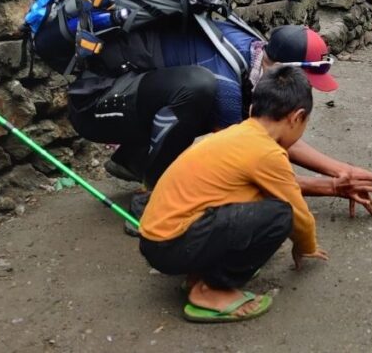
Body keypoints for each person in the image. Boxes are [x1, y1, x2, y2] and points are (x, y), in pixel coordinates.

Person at [67, 20, 372, 230]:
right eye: (308, 83)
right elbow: (246, 165)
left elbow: (266, 133)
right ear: (286, 73)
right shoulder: (227, 84)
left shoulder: (254, 54)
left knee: (202, 104)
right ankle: (152, 204)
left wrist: (342, 170)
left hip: (130, 97)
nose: (307, 92)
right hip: (95, 106)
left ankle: (131, 160)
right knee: (198, 93)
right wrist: (332, 187)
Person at [140, 66, 327, 323]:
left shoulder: (237, 134)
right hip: (172, 244)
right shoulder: (267, 153)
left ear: (252, 110)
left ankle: (200, 275)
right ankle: (212, 290)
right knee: (280, 215)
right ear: (297, 117)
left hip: (157, 238)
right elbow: (299, 214)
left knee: (256, 199)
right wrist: (307, 246)